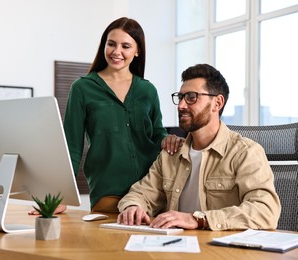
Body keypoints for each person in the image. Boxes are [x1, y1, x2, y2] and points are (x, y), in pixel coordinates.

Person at [117, 63, 281, 230]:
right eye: (180, 97)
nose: (181, 105)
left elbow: (265, 211)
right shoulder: (171, 154)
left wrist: (198, 219)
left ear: (217, 103)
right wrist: (133, 207)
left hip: (220, 252)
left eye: (191, 97)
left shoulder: (245, 152)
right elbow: (140, 193)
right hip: (174, 248)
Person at [63, 17, 183, 213]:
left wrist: (167, 140)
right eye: (111, 44)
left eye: (125, 46)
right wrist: (62, 194)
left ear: (137, 51)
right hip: (108, 191)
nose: (116, 51)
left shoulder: (147, 90)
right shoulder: (82, 88)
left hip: (150, 191)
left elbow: (157, 134)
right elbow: (71, 146)